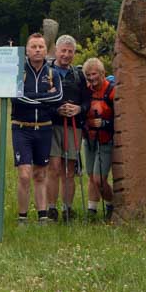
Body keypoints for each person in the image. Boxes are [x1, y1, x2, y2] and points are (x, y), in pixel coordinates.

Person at [11, 33, 62, 223]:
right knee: (25, 175)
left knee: (40, 174)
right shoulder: (18, 72)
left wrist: (31, 96)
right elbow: (16, 98)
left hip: (44, 128)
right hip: (21, 128)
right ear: (27, 50)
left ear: (46, 50)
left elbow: (58, 98)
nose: (37, 50)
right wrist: (44, 97)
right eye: (33, 47)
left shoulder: (53, 73)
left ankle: (42, 216)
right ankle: (22, 217)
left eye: (41, 47)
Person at [47, 34, 85, 222]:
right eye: (63, 51)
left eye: (70, 52)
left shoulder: (79, 75)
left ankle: (67, 209)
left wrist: (78, 109)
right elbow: (39, 100)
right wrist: (56, 110)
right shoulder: (46, 72)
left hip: (73, 126)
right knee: (53, 167)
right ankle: (51, 209)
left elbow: (87, 101)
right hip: (51, 126)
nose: (66, 55)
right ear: (56, 50)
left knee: (69, 170)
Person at [80, 57, 116, 221]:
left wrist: (105, 123)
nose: (91, 78)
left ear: (102, 73)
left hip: (106, 140)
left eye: (94, 74)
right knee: (91, 176)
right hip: (89, 140)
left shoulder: (112, 91)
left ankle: (111, 204)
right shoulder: (86, 91)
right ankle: (92, 211)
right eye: (88, 75)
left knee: (99, 178)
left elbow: (122, 118)